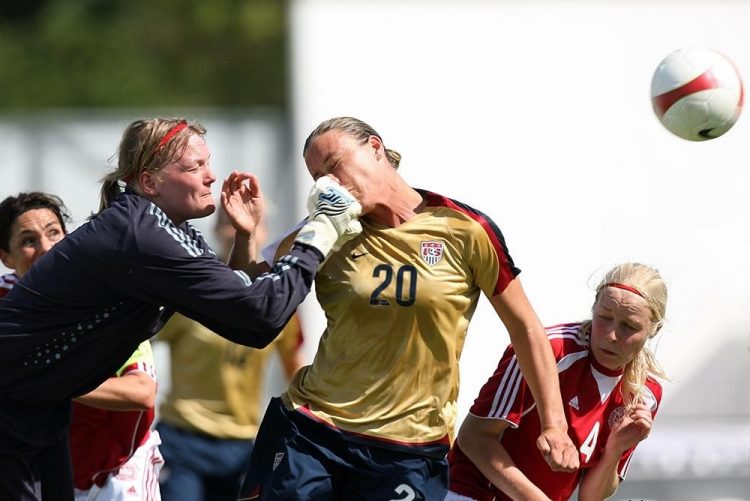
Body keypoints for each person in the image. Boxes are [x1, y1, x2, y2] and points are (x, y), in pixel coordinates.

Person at [0, 117, 362, 500]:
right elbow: (259, 315)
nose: (211, 177)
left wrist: (246, 235)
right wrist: (320, 233)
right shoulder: (142, 234)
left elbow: (241, 319)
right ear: (151, 183)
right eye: (194, 167)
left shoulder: (158, 229)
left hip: (37, 411)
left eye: (208, 163)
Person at [239, 116, 578, 501]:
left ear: (375, 147)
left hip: (409, 450)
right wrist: (245, 235)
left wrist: (555, 424)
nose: (327, 184)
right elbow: (250, 296)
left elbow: (527, 329)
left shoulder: (465, 229)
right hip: (313, 428)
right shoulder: (325, 229)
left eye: (333, 165)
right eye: (318, 177)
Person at [447, 262, 668, 501]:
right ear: (593, 306)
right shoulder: (549, 351)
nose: (611, 335)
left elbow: (590, 497)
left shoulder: (644, 395)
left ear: (654, 330)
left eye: (629, 326)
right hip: (470, 491)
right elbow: (473, 437)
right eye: (605, 317)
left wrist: (614, 451)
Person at [0, 192, 163, 500]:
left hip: (121, 467)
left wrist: (51, 380)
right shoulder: (4, 302)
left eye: (53, 233)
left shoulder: (107, 297)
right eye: (28, 240)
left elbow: (142, 392)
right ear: (6, 257)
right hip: (47, 470)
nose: (46, 248)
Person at [155, 211, 304, 501]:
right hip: (183, 439)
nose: (238, 231)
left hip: (240, 445)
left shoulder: (275, 301)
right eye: (228, 224)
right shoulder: (191, 291)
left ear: (266, 234)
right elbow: (141, 342)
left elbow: (294, 366)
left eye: (253, 225)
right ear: (215, 229)